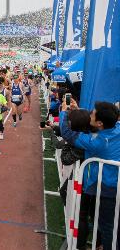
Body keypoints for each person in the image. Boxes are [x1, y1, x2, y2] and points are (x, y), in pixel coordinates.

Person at [60, 101, 120, 249]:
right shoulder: (117, 128)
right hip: (110, 183)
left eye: (92, 113)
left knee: (107, 226)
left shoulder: (98, 141)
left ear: (99, 123)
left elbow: (67, 133)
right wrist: (78, 110)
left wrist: (64, 112)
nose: (90, 115)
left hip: (106, 187)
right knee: (106, 221)